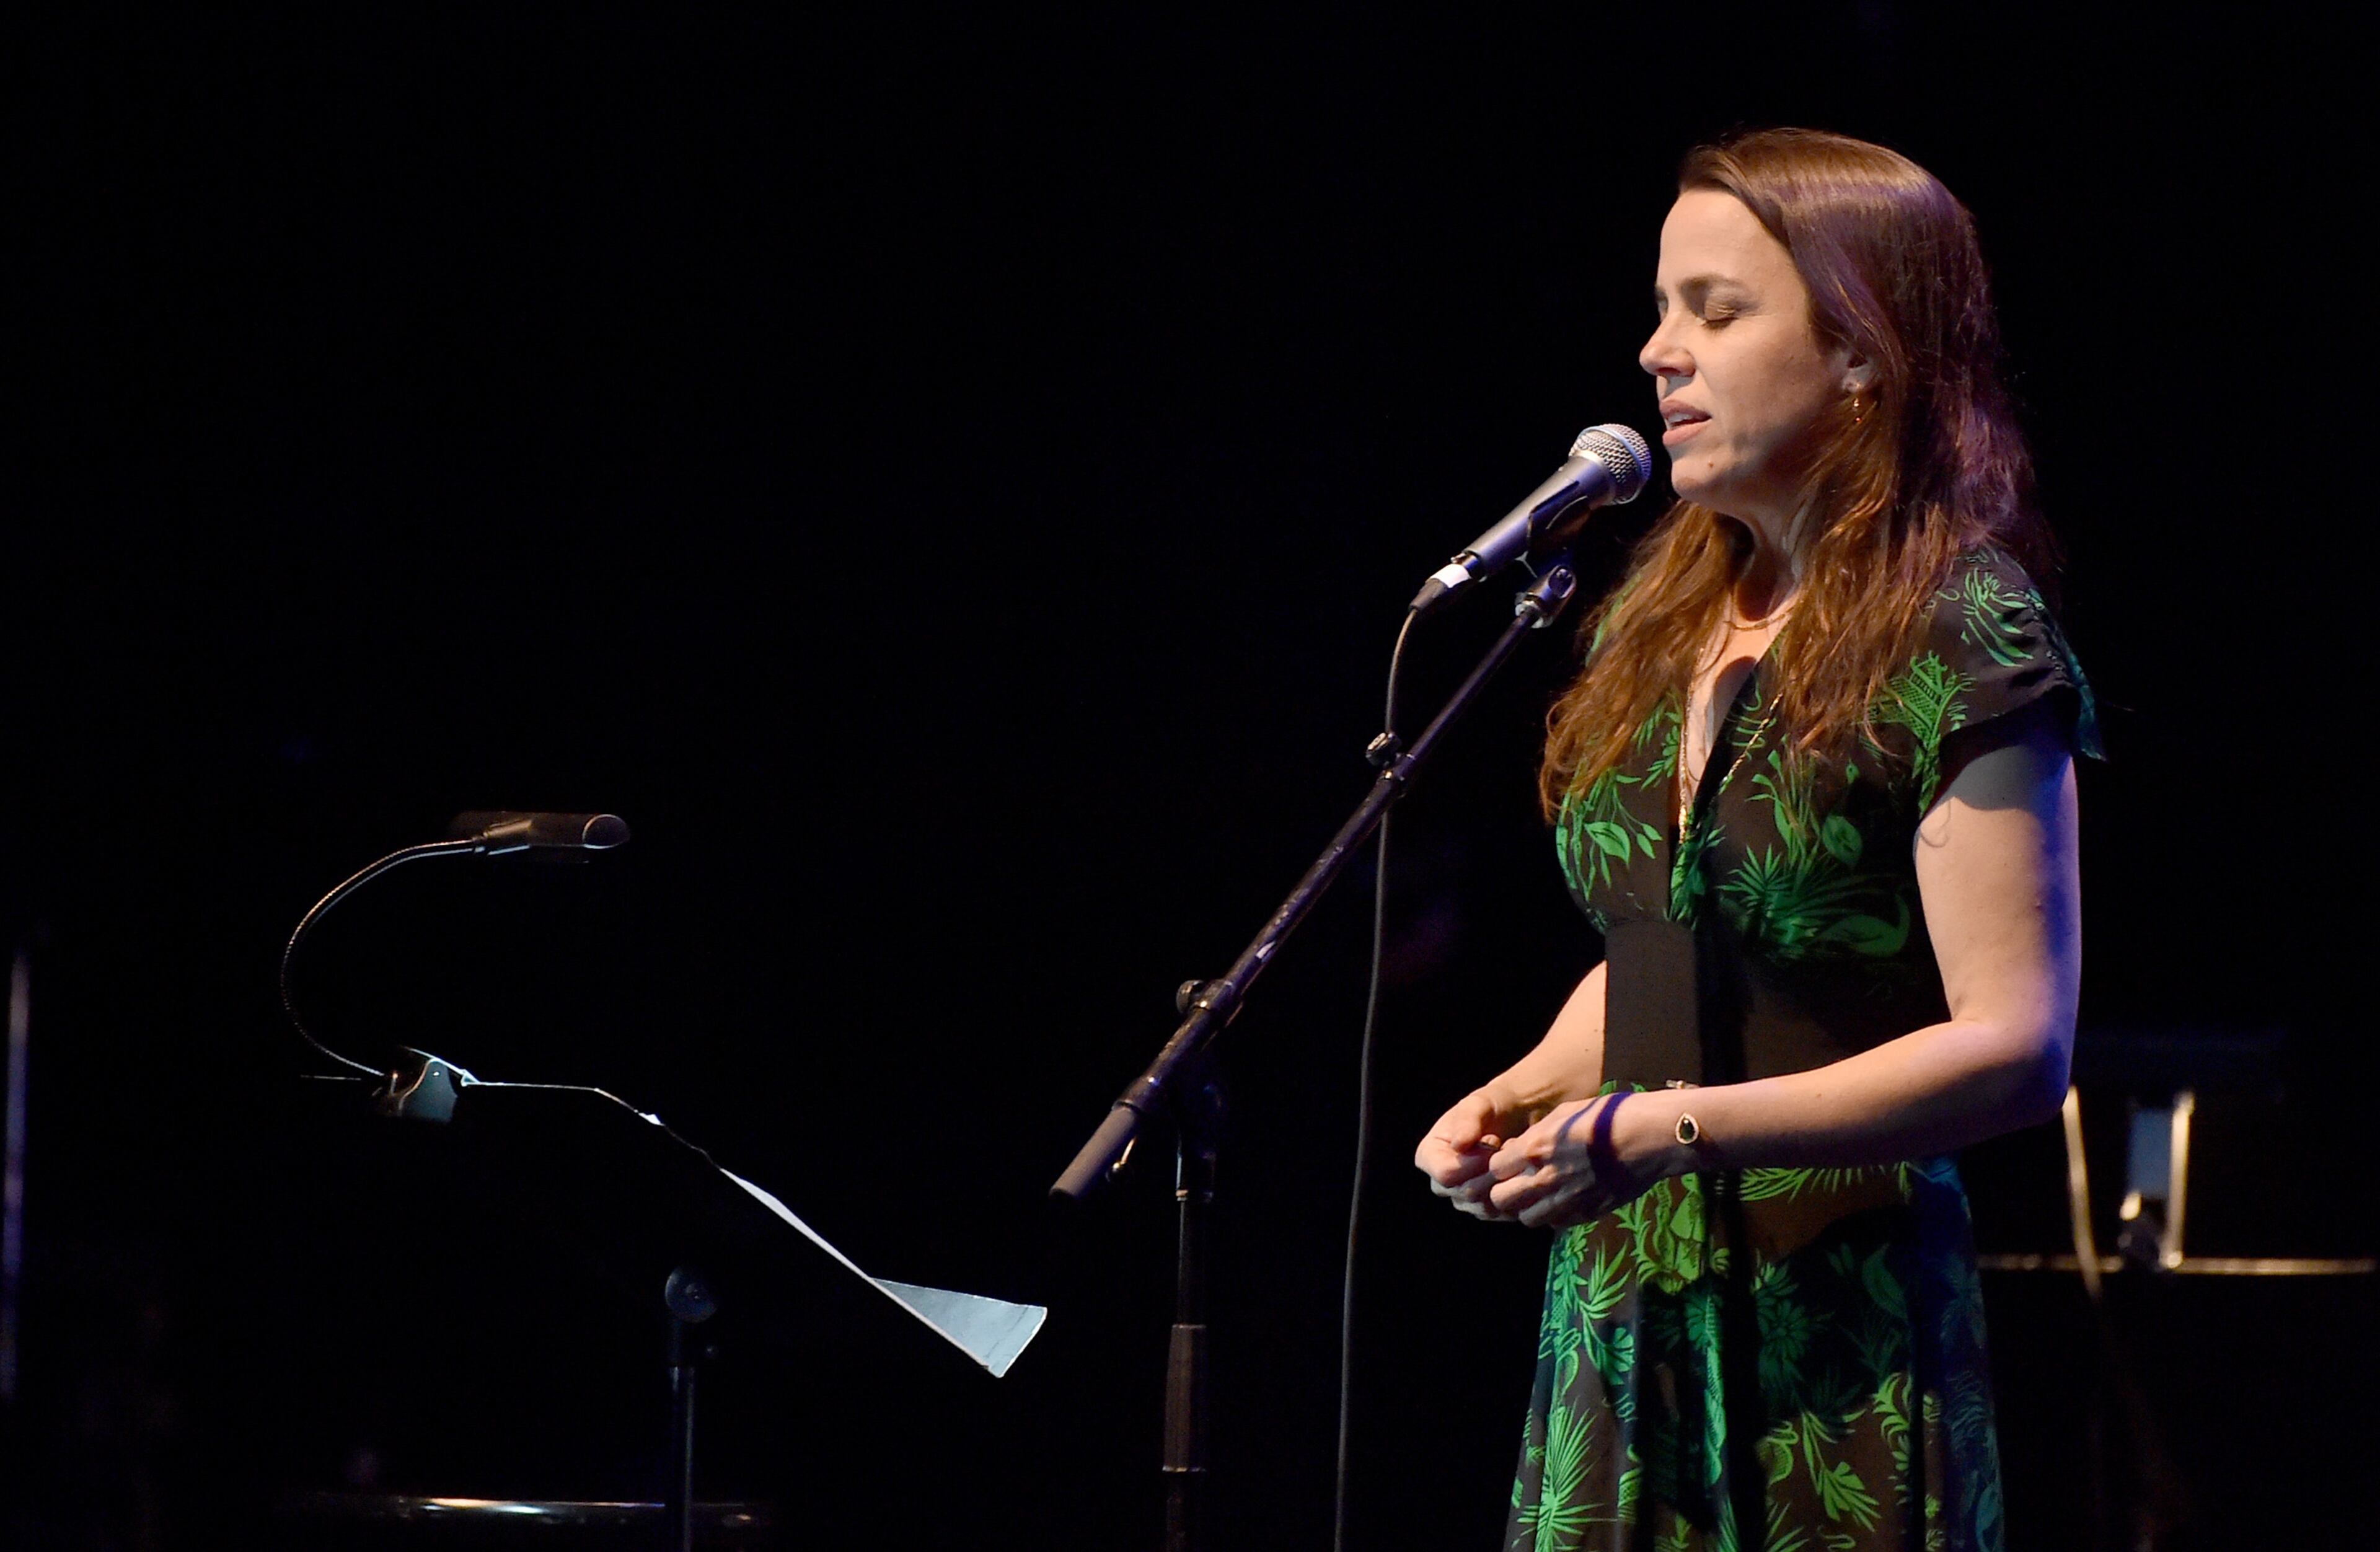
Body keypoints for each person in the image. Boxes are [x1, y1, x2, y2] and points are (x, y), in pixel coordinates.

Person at [1413, 128, 2096, 1552]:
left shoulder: (1962, 635)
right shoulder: (1667, 620)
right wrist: (1532, 1090)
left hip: (1832, 1331)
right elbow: (1670, 946)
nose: (1661, 351)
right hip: (1621, 1305)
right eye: (1663, 309)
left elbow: (2017, 1044)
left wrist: (1675, 1130)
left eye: (1716, 313)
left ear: (1863, 354)